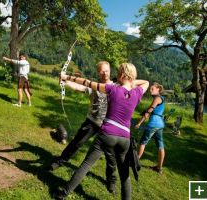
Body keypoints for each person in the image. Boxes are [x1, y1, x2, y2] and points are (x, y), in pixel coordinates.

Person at [54, 63, 149, 200]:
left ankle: (63, 194)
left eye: (118, 73)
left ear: (121, 75)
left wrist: (66, 77)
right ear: (132, 76)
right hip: (125, 138)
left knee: (86, 165)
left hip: (107, 134)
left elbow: (87, 82)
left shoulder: (112, 89)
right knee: (125, 177)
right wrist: (130, 81)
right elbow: (146, 82)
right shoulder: (137, 92)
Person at [49, 61, 113, 172]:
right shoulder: (94, 85)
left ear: (110, 70)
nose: (105, 73)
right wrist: (65, 82)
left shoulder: (116, 87)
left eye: (107, 70)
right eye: (102, 71)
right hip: (92, 121)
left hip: (108, 124)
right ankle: (61, 161)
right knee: (77, 143)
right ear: (98, 72)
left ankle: (111, 179)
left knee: (110, 152)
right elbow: (80, 87)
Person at [135, 82, 165, 174]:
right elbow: (151, 110)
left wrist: (139, 123)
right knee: (160, 145)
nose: (150, 90)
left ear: (158, 89)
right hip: (160, 124)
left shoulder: (157, 98)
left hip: (153, 124)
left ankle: (135, 162)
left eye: (152, 89)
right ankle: (159, 168)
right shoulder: (161, 99)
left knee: (143, 142)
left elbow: (149, 111)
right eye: (150, 89)